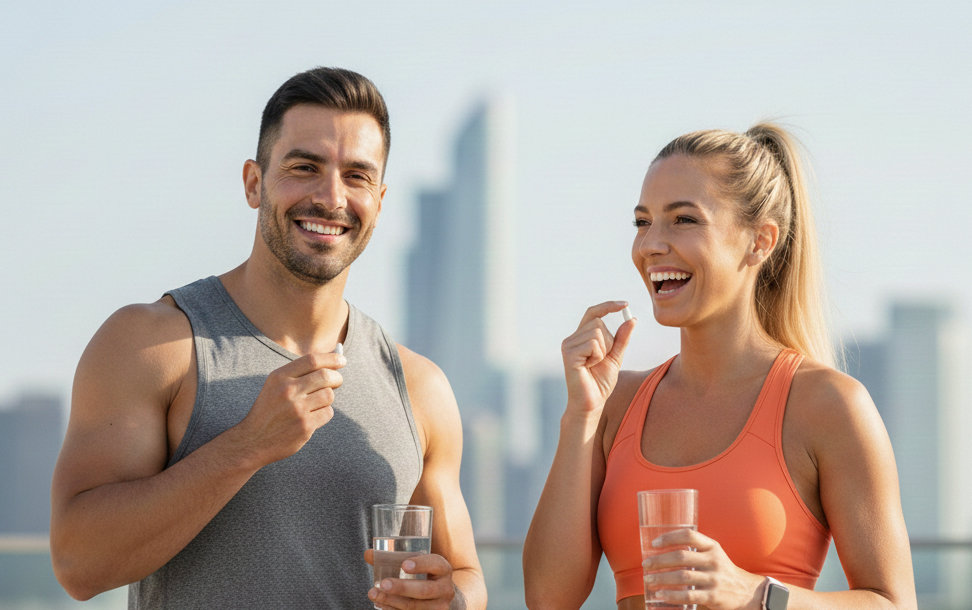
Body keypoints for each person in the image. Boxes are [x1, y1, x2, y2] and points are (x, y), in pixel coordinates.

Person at [50, 67, 486, 610]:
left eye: (357, 176)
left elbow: (465, 573)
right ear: (254, 183)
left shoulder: (419, 387)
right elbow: (78, 565)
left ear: (379, 199)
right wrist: (249, 446)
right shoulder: (153, 345)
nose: (331, 197)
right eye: (305, 167)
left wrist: (452, 599)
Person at [523, 124, 917, 610]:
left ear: (760, 241)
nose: (650, 245)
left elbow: (893, 603)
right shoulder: (613, 403)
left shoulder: (829, 405)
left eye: (684, 220)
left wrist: (755, 594)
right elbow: (547, 598)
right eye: (642, 222)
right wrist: (580, 416)